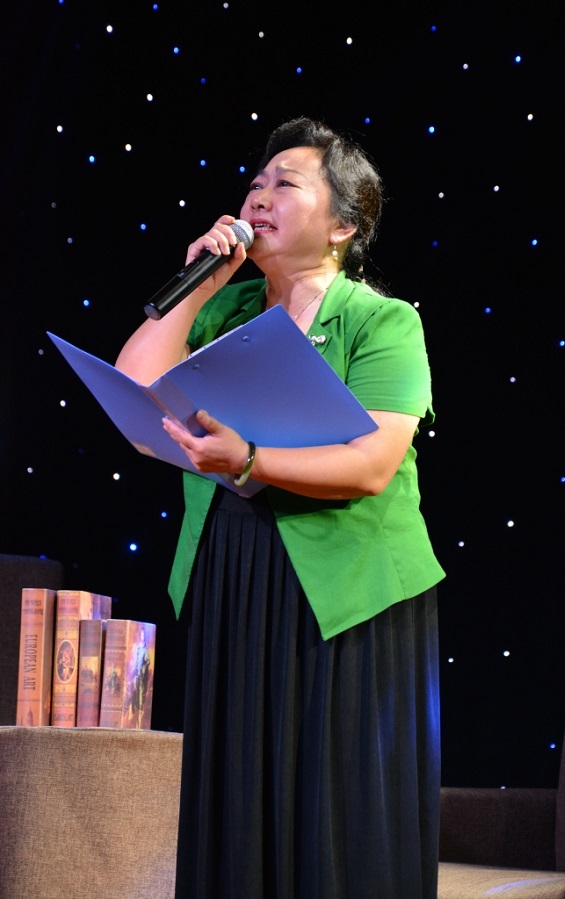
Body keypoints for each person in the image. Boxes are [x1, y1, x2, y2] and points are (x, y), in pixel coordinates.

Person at [116, 116, 445, 899]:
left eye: (285, 184)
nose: (258, 198)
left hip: (350, 590)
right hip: (237, 570)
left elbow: (371, 463)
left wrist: (251, 460)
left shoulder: (382, 320)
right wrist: (199, 283)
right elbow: (135, 390)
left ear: (342, 226)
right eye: (255, 184)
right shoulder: (226, 311)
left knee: (334, 810)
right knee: (240, 804)